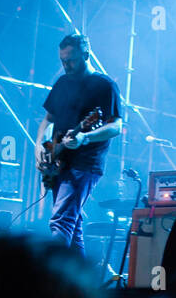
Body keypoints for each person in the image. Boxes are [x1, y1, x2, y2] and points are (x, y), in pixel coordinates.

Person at [33, 34, 122, 256]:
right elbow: (48, 119)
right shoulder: (62, 83)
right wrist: (39, 147)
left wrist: (85, 137)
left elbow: (115, 127)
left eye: (71, 60)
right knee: (73, 229)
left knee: (61, 221)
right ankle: (80, 276)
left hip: (85, 164)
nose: (66, 66)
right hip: (58, 161)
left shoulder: (105, 86)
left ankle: (51, 273)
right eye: (62, 61)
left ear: (86, 55)